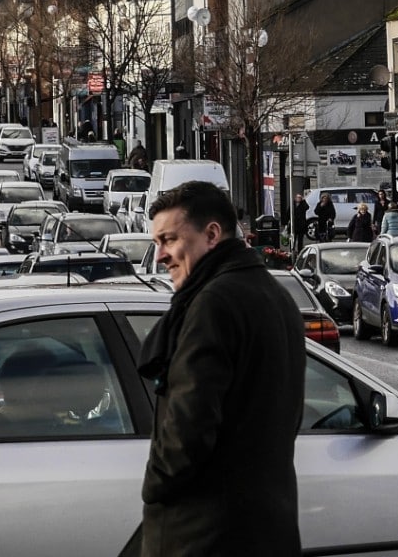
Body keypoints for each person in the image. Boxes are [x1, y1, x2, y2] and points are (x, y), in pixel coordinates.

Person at [137, 180, 305, 556]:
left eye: (169, 240)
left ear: (212, 234)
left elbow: (189, 429)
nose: (161, 255)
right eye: (157, 243)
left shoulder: (212, 304)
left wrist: (154, 486)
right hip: (267, 527)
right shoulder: (277, 297)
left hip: (206, 534)